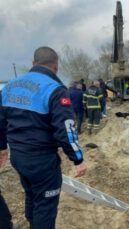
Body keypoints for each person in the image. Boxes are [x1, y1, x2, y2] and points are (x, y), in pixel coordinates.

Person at [0, 47, 87, 229]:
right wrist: (77, 158)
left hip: (18, 157)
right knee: (45, 205)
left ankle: (32, 223)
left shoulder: (9, 87)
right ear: (55, 67)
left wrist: (2, 148)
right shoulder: (55, 90)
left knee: (32, 194)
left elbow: (1, 121)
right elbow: (66, 130)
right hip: (42, 161)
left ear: (33, 63)